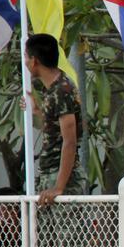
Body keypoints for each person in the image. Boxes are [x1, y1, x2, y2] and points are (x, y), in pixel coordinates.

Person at [24, 33, 86, 203]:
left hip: (62, 177)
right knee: (45, 230)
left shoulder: (61, 90)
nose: (26, 63)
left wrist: (59, 187)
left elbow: (69, 141)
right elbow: (54, 129)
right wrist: (37, 110)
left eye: (26, 57)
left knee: (67, 230)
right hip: (50, 174)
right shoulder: (52, 89)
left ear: (34, 60)